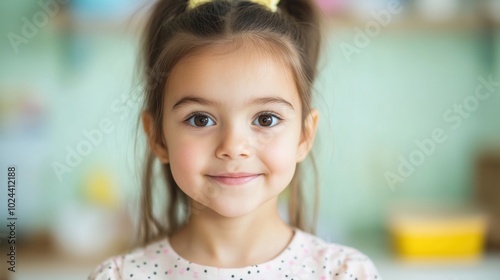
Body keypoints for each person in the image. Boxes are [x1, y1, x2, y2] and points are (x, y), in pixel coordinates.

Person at [88, 0, 381, 279]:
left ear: (304, 136)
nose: (233, 147)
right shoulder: (120, 276)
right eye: (200, 119)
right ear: (158, 137)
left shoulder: (345, 274)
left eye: (265, 119)